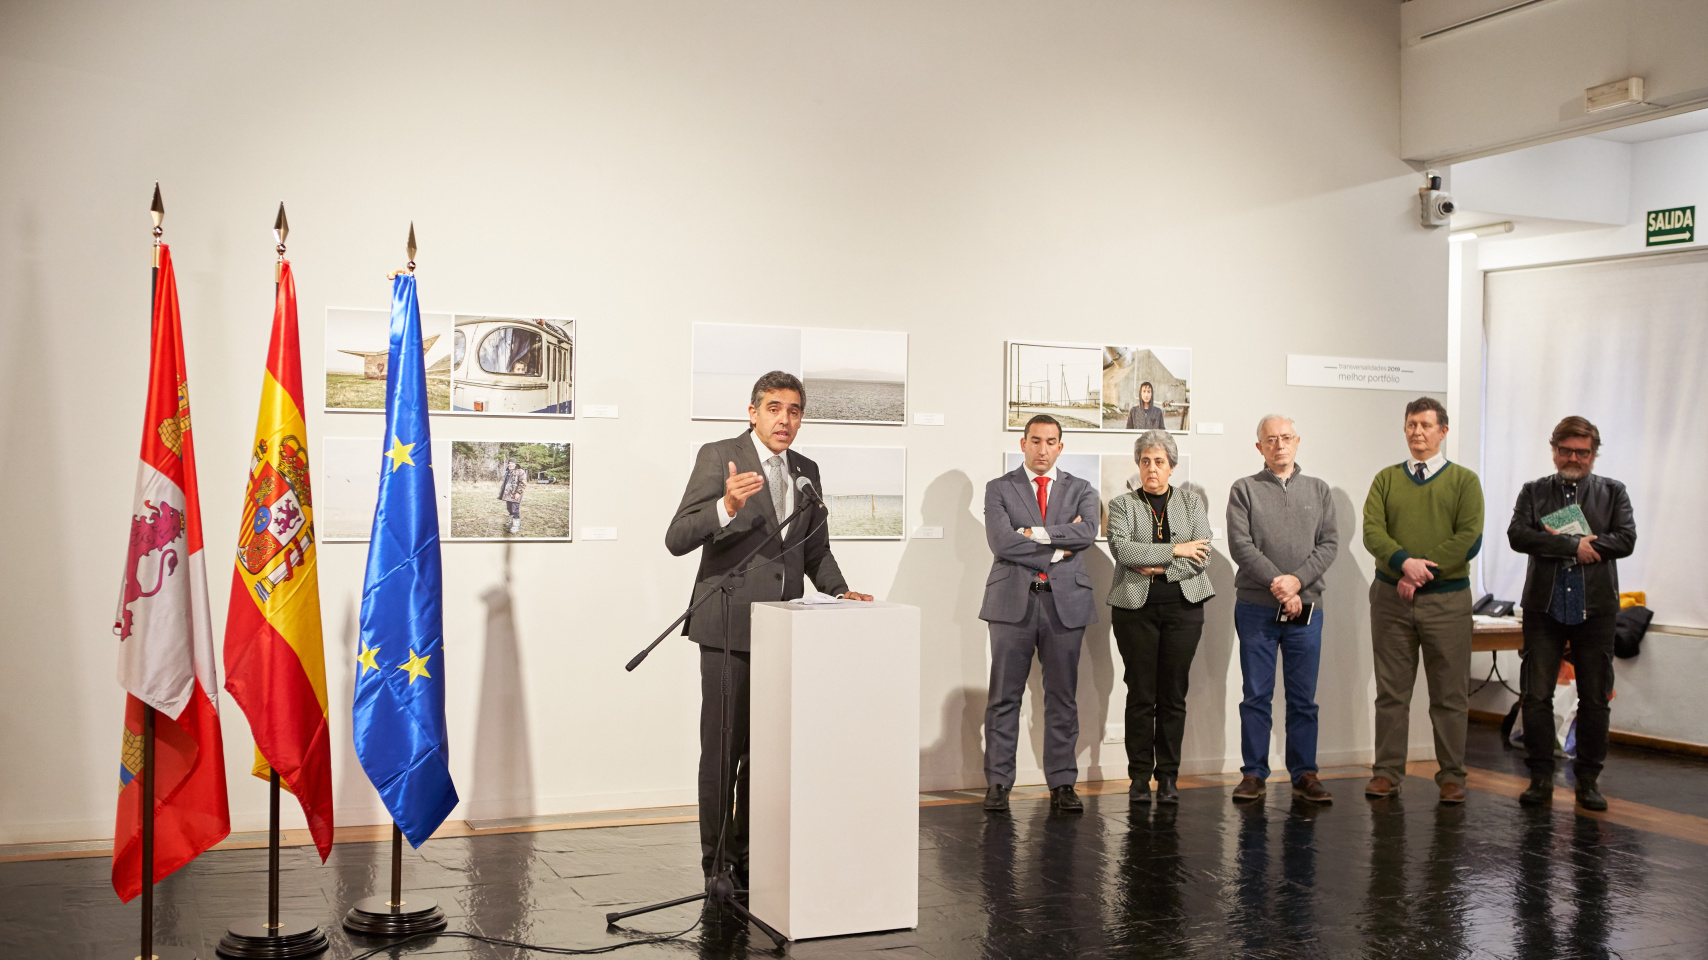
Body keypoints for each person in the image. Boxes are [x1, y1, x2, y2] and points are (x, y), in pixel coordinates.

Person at [665, 371, 873, 888]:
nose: (785, 419)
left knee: (764, 754)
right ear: (753, 412)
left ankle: (751, 856)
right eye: (775, 408)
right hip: (728, 627)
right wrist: (726, 507)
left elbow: (816, 549)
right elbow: (677, 537)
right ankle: (717, 864)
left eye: (794, 410)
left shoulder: (806, 471)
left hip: (785, 632)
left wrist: (839, 591)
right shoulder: (720, 456)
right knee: (723, 752)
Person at [1507, 416, 1635, 812]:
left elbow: (1626, 539)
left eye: (1582, 452)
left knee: (1595, 699)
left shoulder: (1613, 491)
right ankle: (1540, 778)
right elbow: (1517, 536)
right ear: (1554, 450)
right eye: (1566, 450)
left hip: (1594, 609)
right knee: (1536, 696)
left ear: (1594, 454)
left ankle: (1588, 781)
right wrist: (1571, 547)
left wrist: (1582, 545)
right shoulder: (1533, 491)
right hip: (1544, 609)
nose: (1573, 458)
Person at [1361, 397, 1484, 804]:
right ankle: (1386, 773)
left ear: (1443, 432)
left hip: (1446, 602)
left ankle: (1452, 776)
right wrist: (1404, 563)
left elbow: (1469, 538)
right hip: (1391, 600)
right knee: (1391, 692)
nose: (1417, 432)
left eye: (1426, 425)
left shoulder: (1464, 481)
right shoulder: (1386, 480)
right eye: (1412, 424)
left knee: (1449, 694)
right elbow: (1373, 532)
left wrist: (1420, 573)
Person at [979, 415, 1101, 814]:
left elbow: (1087, 533)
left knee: (1062, 697)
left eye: (1050, 442)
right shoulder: (999, 488)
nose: (1042, 449)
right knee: (1004, 697)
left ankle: (1063, 783)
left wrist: (1034, 533)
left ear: (1060, 447)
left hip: (1066, 603)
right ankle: (998, 783)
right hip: (1010, 603)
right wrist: (1058, 547)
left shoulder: (1082, 489)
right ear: (1023, 444)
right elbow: (1002, 542)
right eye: (1035, 441)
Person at [1225, 415, 1340, 804]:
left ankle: (1304, 772)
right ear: (1259, 447)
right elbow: (1241, 545)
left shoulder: (1319, 490)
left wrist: (1297, 583)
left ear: (1298, 441)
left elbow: (1328, 544)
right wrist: (1281, 584)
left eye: (1286, 437)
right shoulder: (1244, 489)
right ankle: (1253, 774)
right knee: (1256, 695)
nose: (1279, 445)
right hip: (1256, 609)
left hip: (1306, 609)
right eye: (1271, 439)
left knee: (1303, 698)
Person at [1107, 429, 1213, 804]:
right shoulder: (1122, 504)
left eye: (1159, 462)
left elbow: (1203, 556)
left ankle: (1168, 776)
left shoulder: (1191, 503)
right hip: (1134, 610)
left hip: (1184, 610)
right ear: (1138, 465)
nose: (1152, 468)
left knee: (1173, 695)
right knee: (1140, 694)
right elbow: (1123, 551)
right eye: (1145, 461)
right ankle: (1139, 778)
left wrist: (1156, 565)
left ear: (1172, 466)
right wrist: (1176, 550)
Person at [497, 458, 526, 534]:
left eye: (512, 463)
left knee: (515, 510)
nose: (510, 464)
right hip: (508, 495)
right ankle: (511, 522)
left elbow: (523, 483)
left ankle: (516, 525)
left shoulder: (520, 471)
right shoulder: (508, 472)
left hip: (515, 495)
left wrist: (518, 493)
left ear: (515, 464)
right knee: (509, 509)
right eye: (509, 463)